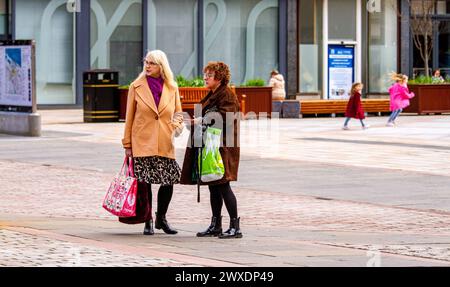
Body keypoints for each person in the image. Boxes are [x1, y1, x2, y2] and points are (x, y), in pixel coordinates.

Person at [122, 50, 184, 235]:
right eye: (146, 62)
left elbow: (178, 113)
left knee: (170, 179)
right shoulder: (136, 86)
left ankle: (161, 218)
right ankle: (147, 220)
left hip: (165, 140)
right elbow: (129, 117)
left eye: (152, 63)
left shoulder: (172, 87)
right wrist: (127, 144)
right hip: (142, 141)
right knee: (145, 182)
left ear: (161, 66)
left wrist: (175, 125)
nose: (147, 66)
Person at [180, 61, 243, 239]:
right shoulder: (213, 94)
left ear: (219, 77)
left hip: (223, 147)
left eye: (209, 75)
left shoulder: (227, 95)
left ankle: (235, 227)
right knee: (213, 186)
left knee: (223, 184)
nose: (205, 78)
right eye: (205, 74)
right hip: (211, 145)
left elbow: (225, 118)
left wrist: (199, 121)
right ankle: (216, 225)